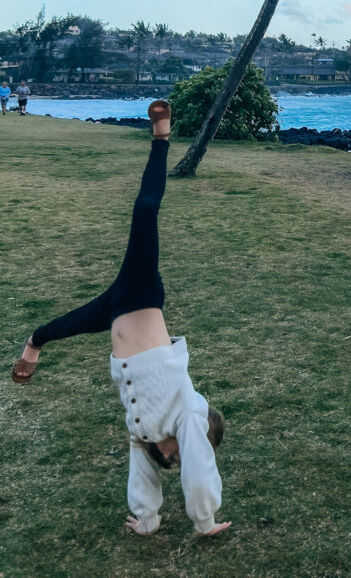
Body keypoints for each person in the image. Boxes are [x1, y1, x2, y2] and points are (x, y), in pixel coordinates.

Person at [12, 100, 231, 538]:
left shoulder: (147, 431)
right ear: (196, 441)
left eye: (171, 459)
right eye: (180, 456)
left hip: (117, 307)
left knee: (59, 328)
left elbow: (143, 474)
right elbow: (200, 468)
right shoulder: (189, 414)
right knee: (145, 211)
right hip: (140, 293)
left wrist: (147, 520)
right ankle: (162, 141)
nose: (173, 458)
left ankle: (31, 345)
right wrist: (204, 521)